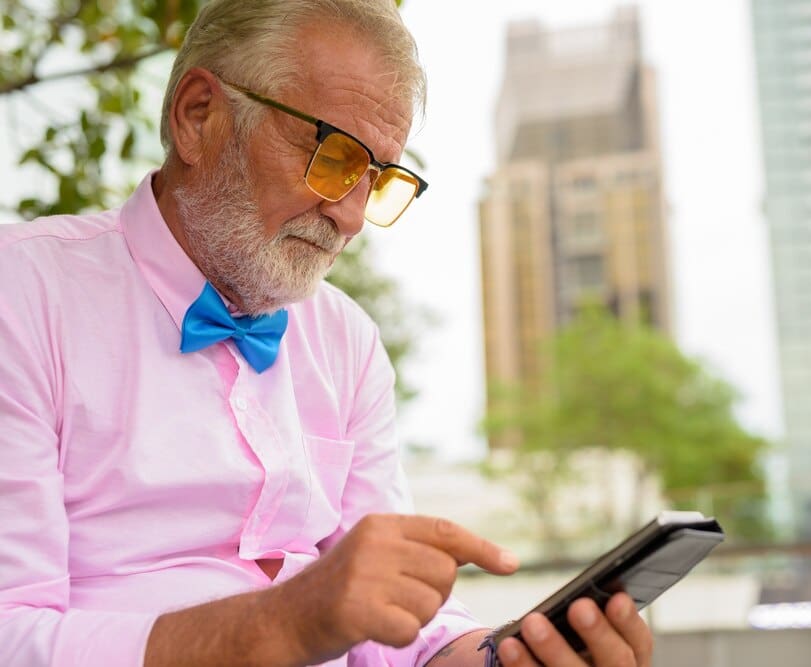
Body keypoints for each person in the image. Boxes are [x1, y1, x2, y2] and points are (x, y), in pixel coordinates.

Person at [0, 1, 654, 666]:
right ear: (199, 115)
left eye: (375, 179)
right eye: (332, 154)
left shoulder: (347, 341)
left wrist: (493, 658)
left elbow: (394, 625)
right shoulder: (19, 295)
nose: (350, 217)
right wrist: (280, 623)